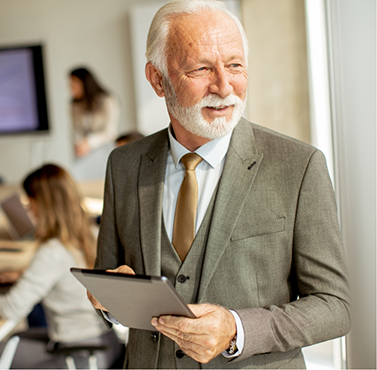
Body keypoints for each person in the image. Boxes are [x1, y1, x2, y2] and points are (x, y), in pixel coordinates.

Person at [89, 0, 351, 368]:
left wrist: (235, 328)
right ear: (157, 79)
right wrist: (112, 302)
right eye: (201, 69)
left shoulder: (298, 166)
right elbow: (108, 282)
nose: (225, 86)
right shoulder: (124, 164)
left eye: (235, 65)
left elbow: (334, 307)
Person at [0, 164, 122, 369]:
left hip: (80, 354)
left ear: (45, 205)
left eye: (31, 203)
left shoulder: (53, 251)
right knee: (16, 339)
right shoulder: (91, 235)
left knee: (5, 349)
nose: (29, 210)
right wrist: (25, 275)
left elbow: (12, 308)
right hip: (108, 343)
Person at [70, 67, 120, 158]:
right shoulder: (75, 105)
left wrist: (89, 142)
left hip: (105, 151)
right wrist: (79, 143)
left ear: (84, 83)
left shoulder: (108, 101)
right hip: (83, 155)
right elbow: (75, 130)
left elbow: (110, 132)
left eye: (73, 85)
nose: (71, 89)